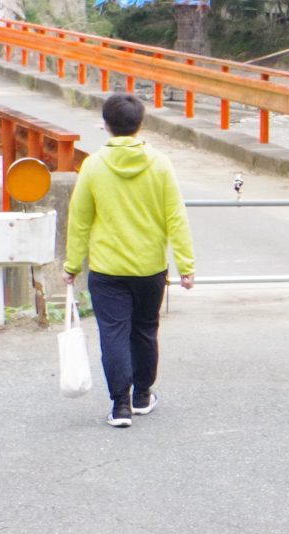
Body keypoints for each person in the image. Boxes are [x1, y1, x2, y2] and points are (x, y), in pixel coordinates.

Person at [62, 93, 196, 428]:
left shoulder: (93, 165)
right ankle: (142, 396)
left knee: (113, 333)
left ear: (105, 125)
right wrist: (186, 265)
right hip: (150, 266)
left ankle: (120, 405)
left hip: (107, 268)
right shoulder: (160, 163)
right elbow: (175, 218)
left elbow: (79, 220)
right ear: (140, 124)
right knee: (146, 330)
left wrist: (72, 264)